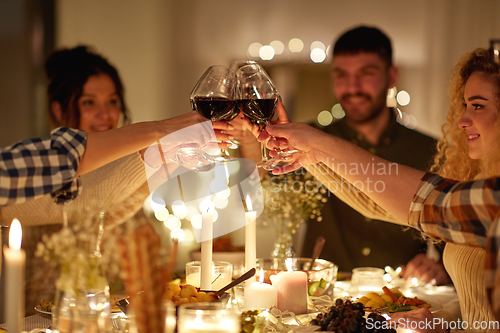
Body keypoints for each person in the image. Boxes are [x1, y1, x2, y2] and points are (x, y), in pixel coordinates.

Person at [252, 47, 500, 327]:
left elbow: (425, 203)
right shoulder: (477, 179)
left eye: (478, 105)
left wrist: (316, 146)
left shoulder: (489, 194)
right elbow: (378, 202)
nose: (462, 121)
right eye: (465, 105)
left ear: (390, 76)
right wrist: (311, 153)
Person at [0, 45, 217, 316]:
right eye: (88, 102)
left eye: (112, 101)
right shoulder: (40, 181)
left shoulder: (125, 177)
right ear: (58, 110)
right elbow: (94, 202)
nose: (105, 114)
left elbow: (120, 215)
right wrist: (160, 143)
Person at [300, 26, 443, 280]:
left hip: (400, 304)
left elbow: (452, 241)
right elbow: (265, 179)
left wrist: (439, 268)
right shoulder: (308, 141)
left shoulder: (433, 151)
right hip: (317, 298)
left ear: (391, 76)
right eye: (341, 75)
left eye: (366, 73)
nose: (352, 87)